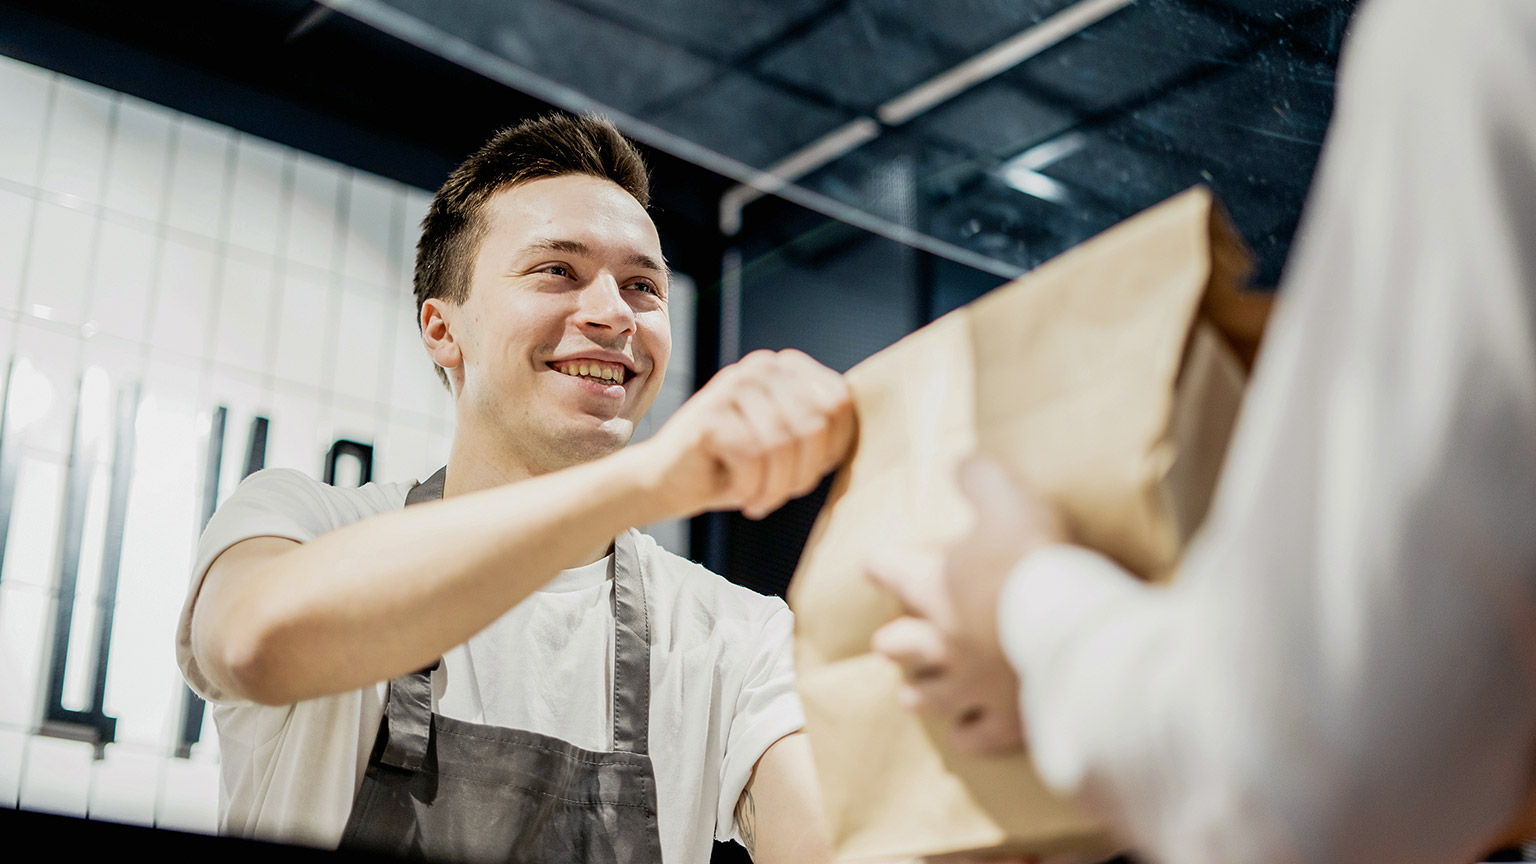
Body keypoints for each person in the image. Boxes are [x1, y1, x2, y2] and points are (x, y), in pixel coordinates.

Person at [867, 1, 1536, 862]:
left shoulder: (1472, 31)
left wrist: (1024, 606)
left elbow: (1309, 789)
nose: (628, 317)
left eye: (652, 286)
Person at [175, 113, 849, 864]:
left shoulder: (735, 635)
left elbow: (834, 845)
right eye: (556, 270)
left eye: (641, 286)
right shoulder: (303, 521)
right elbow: (254, 644)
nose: (613, 314)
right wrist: (656, 478)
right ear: (441, 328)